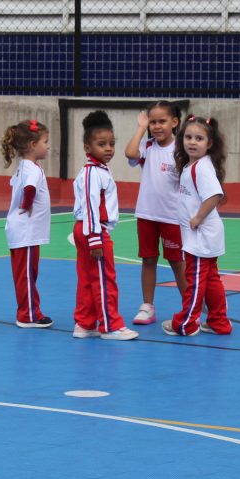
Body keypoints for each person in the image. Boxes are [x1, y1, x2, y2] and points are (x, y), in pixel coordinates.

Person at [162, 115, 233, 337]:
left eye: (199, 138)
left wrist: (198, 218)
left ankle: (186, 323)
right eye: (188, 137)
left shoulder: (200, 168)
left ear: (209, 143)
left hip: (201, 237)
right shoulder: (193, 165)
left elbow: (214, 195)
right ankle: (219, 322)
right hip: (202, 237)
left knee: (195, 282)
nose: (192, 142)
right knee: (211, 280)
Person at [72, 111, 139, 341]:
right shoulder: (92, 173)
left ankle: (84, 323)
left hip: (88, 229)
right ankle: (110, 325)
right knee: (104, 279)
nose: (108, 149)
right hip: (94, 230)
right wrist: (95, 237)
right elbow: (90, 206)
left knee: (88, 278)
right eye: (102, 144)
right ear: (87, 148)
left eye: (111, 144)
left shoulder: (99, 170)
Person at [124, 101, 187, 325]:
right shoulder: (147, 146)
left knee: (177, 263)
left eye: (162, 121)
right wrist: (141, 128)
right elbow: (129, 152)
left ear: (174, 122)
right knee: (148, 260)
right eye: (153, 122)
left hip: (172, 217)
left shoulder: (181, 150)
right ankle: (147, 306)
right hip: (147, 215)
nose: (157, 126)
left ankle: (189, 307)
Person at [2, 119, 53, 328]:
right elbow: (29, 188)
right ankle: (28, 315)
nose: (48, 146)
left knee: (26, 274)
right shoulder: (32, 170)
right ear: (33, 145)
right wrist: (27, 204)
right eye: (45, 142)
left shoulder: (25, 166)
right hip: (27, 232)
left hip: (22, 232)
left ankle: (28, 311)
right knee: (27, 275)